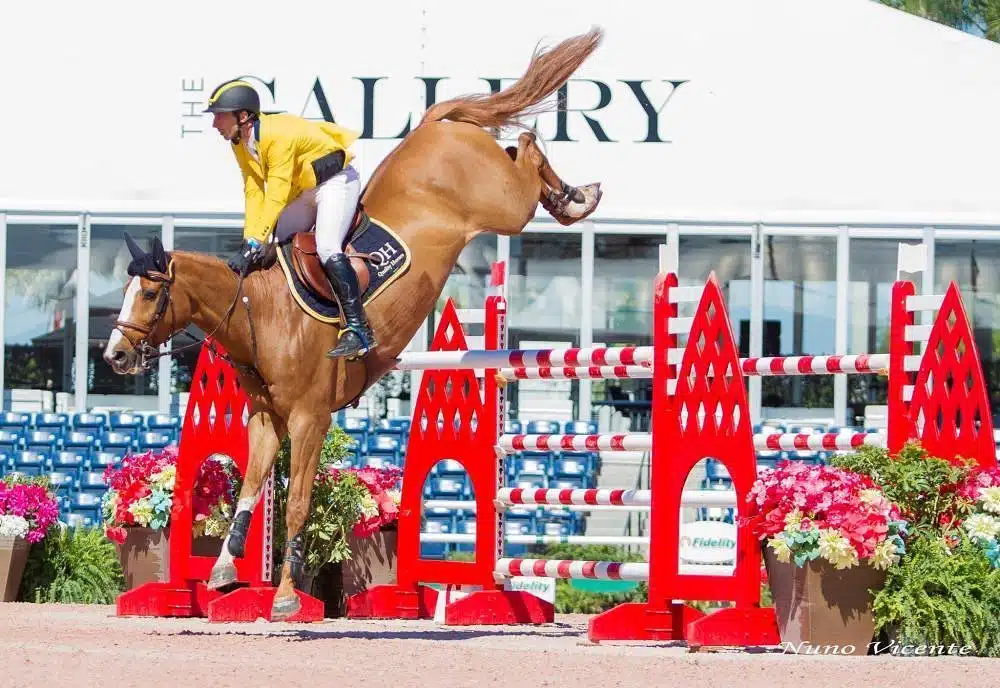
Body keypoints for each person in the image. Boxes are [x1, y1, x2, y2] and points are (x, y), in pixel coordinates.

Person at [203, 78, 376, 360]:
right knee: (276, 244)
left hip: (336, 182)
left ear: (243, 116)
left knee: (327, 247)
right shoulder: (239, 142)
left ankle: (359, 330)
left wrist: (255, 241)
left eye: (220, 116)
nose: (215, 124)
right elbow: (254, 190)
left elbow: (277, 193)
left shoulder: (276, 135)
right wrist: (250, 240)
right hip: (307, 189)